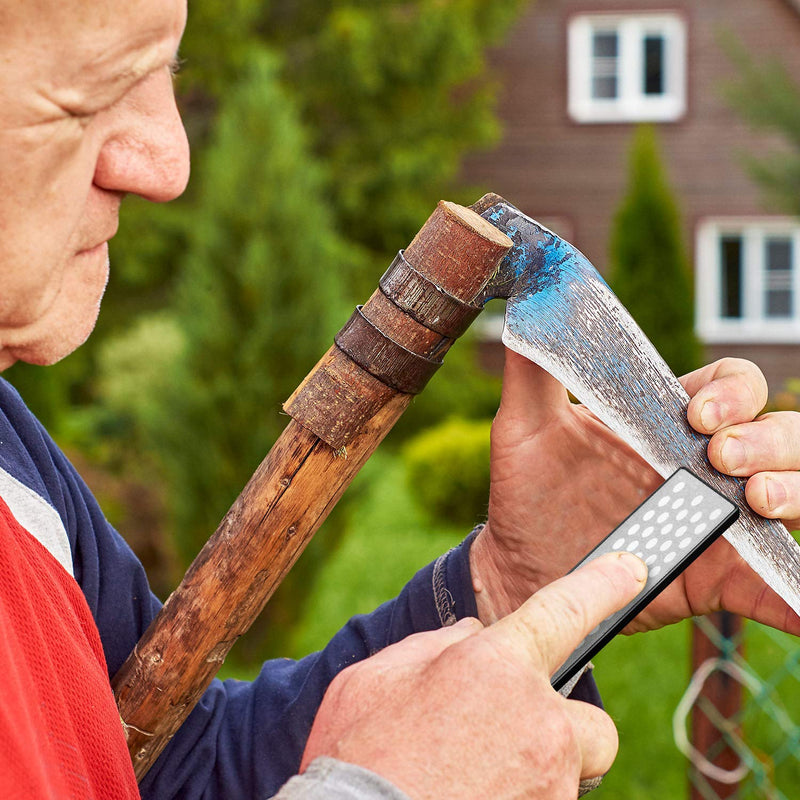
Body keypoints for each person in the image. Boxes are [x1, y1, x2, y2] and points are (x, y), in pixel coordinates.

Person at [1, 0, 799, 798]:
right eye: (91, 90)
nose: (168, 164)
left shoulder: (15, 463)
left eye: (164, 71)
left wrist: (512, 590)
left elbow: (180, 769)